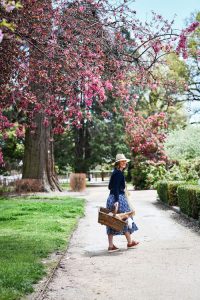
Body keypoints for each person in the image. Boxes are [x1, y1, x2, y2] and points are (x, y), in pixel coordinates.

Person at [106, 153, 139, 252]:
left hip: (112, 198)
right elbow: (115, 187)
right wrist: (116, 201)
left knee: (111, 220)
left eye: (125, 161)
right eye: (122, 161)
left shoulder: (115, 172)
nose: (124, 163)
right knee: (125, 218)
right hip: (118, 198)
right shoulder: (118, 173)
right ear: (118, 163)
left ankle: (111, 246)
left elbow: (109, 187)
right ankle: (129, 242)